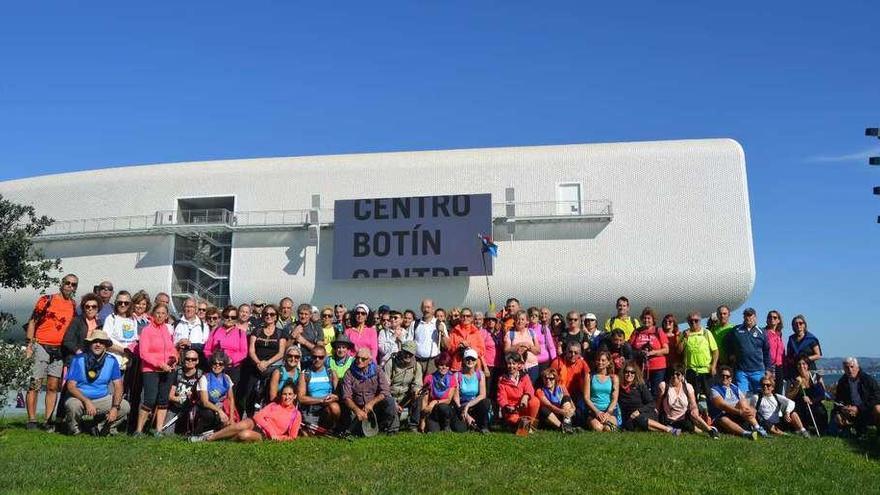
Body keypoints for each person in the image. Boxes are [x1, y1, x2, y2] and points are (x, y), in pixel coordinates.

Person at [24, 273, 78, 430]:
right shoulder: (46, 300)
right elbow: (32, 321)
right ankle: (32, 420)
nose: (70, 286)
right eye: (67, 283)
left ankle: (48, 420)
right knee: (35, 383)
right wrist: (29, 345)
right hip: (41, 345)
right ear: (62, 284)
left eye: (73, 284)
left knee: (53, 386)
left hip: (59, 350)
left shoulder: (73, 305)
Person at [63, 330, 130, 435]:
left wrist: (114, 407)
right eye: (95, 341)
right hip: (80, 398)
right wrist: (86, 401)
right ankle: (75, 430)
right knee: (72, 405)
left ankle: (101, 427)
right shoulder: (78, 359)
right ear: (90, 344)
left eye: (102, 342)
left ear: (105, 346)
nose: (98, 344)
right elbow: (71, 386)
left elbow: (118, 386)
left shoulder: (112, 361)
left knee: (125, 406)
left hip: (101, 398)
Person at [193, 381, 301, 443]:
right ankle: (210, 438)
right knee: (243, 424)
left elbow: (292, 437)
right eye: (284, 394)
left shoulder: (296, 415)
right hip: (256, 424)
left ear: (295, 396)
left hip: (265, 436)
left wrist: (277, 437)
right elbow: (258, 417)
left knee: (244, 435)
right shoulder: (274, 405)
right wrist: (271, 429)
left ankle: (220, 438)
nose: (287, 397)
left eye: (290, 394)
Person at [135, 303, 178, 436]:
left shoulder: (166, 330)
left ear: (166, 316)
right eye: (158, 313)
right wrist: (160, 364)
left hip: (167, 370)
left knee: (163, 399)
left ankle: (159, 430)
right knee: (149, 399)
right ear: (153, 314)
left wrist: (175, 358)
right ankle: (139, 430)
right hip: (151, 370)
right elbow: (143, 353)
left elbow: (171, 348)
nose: (160, 316)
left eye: (163, 313)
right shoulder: (147, 330)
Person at [242, 304, 287, 416]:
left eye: (272, 314)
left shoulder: (280, 333)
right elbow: (251, 350)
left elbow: (281, 353)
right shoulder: (257, 331)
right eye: (266, 314)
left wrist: (267, 363)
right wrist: (259, 363)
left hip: (272, 367)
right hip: (256, 366)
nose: (269, 316)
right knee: (249, 395)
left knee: (269, 395)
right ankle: (250, 419)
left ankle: (267, 420)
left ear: (276, 317)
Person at [341, 348, 397, 435]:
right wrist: (357, 410)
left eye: (363, 359)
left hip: (374, 406)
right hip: (357, 406)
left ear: (370, 361)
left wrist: (371, 403)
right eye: (357, 358)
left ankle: (391, 429)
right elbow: (346, 397)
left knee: (390, 401)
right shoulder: (349, 373)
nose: (359, 361)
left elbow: (385, 391)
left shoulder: (378, 371)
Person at [656, 365, 718, 438]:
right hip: (668, 419)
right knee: (692, 429)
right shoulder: (664, 386)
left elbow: (693, 404)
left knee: (693, 414)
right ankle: (708, 430)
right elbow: (658, 405)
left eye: (678, 374)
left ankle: (710, 430)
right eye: (672, 374)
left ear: (682, 376)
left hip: (684, 418)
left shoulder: (688, 387)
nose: (674, 376)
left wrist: (694, 410)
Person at [617, 362, 679, 434]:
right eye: (626, 372)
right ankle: (664, 429)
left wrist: (639, 411)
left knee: (639, 419)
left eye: (632, 372)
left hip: (645, 413)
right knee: (632, 424)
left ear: (635, 374)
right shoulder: (619, 388)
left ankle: (668, 430)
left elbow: (651, 403)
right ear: (623, 373)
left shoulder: (640, 386)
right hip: (630, 417)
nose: (629, 374)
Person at [708, 366, 765, 440]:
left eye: (727, 376)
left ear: (731, 379)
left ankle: (758, 428)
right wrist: (739, 412)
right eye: (722, 376)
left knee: (743, 402)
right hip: (724, 414)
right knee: (723, 419)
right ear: (719, 377)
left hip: (738, 413)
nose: (725, 378)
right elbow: (722, 405)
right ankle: (746, 434)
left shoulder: (735, 388)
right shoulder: (714, 390)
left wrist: (751, 409)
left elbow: (744, 401)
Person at [725, 307, 770, 395]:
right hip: (741, 371)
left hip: (758, 370)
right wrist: (730, 354)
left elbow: (766, 351)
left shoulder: (762, 332)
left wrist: (768, 369)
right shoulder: (736, 330)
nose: (748, 318)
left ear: (755, 317)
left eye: (750, 315)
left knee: (759, 395)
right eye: (746, 315)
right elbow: (727, 342)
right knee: (741, 395)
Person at [833, 357, 880, 436]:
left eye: (852, 367)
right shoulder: (842, 382)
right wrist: (843, 408)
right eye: (847, 368)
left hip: (867, 409)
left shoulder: (867, 380)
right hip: (851, 411)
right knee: (838, 417)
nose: (850, 370)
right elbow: (838, 400)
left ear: (857, 367)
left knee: (878, 409)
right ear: (844, 369)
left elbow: (877, 397)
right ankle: (852, 431)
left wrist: (858, 408)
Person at [678, 311, 718, 404]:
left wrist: (713, 366)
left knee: (708, 397)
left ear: (700, 321)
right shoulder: (684, 333)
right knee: (693, 398)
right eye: (691, 321)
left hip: (705, 370)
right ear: (688, 322)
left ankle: (709, 416)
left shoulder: (706, 333)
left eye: (696, 320)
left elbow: (715, 351)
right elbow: (679, 351)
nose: (693, 323)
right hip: (691, 371)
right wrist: (685, 338)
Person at [298, 345, 341, 431]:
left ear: (325, 358)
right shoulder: (305, 374)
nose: (317, 359)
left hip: (328, 405)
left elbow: (338, 395)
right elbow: (301, 398)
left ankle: (332, 427)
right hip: (312, 407)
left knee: (335, 408)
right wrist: (321, 400)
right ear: (311, 357)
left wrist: (334, 397)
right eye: (314, 357)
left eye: (320, 357)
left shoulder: (331, 373)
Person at [204, 305, 248, 388]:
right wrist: (212, 359)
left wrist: (231, 359)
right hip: (216, 367)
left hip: (232, 368)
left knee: (230, 393)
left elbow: (243, 352)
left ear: (237, 318)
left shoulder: (240, 333)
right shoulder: (215, 331)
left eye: (233, 317)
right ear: (222, 317)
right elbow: (207, 349)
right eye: (227, 316)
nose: (229, 319)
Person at [384, 340, 423, 432]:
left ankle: (413, 426)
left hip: (406, 397)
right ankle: (393, 428)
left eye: (410, 353)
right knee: (389, 401)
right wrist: (394, 403)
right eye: (406, 352)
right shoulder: (390, 363)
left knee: (419, 397)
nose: (407, 355)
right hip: (391, 396)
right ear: (401, 351)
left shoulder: (417, 366)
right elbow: (385, 387)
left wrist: (415, 391)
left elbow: (417, 383)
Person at [628, 307, 669, 395]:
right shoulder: (637, 332)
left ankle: (656, 408)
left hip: (657, 367)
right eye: (644, 318)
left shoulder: (658, 331)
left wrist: (652, 352)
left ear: (653, 319)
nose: (646, 320)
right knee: (642, 390)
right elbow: (630, 348)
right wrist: (639, 353)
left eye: (648, 318)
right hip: (641, 367)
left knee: (656, 391)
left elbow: (666, 350)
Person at [496, 352, 540, 433]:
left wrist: (526, 396)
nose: (511, 366)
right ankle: (523, 426)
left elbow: (530, 389)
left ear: (518, 365)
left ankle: (528, 425)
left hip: (523, 406)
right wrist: (507, 406)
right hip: (511, 410)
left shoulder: (524, 376)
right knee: (513, 420)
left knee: (535, 401)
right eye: (509, 364)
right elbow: (501, 397)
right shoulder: (502, 380)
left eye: (514, 363)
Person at [196, 351, 238, 433]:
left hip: (222, 406)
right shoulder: (204, 378)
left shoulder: (227, 378)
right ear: (211, 364)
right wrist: (219, 411)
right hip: (207, 407)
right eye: (214, 363)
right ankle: (201, 430)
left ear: (224, 366)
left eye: (220, 364)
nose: (217, 366)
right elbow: (205, 402)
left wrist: (231, 418)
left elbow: (231, 399)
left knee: (231, 425)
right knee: (209, 415)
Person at [163, 349, 203, 435]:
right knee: (166, 433)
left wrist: (193, 398)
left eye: (193, 359)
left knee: (190, 433)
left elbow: (202, 397)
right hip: (176, 406)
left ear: (197, 361)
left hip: (192, 409)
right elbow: (170, 396)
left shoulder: (201, 375)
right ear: (184, 360)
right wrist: (181, 399)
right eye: (187, 359)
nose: (190, 361)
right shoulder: (177, 373)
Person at [786, 356, 828, 434]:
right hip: (799, 405)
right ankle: (803, 430)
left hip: (814, 403)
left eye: (804, 364)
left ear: (808, 365)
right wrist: (797, 385)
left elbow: (822, 394)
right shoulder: (793, 379)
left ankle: (822, 429)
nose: (801, 366)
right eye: (799, 364)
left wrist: (811, 401)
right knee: (794, 414)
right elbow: (788, 397)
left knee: (820, 411)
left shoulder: (815, 377)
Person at [549, 341, 590, 420]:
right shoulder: (557, 363)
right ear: (566, 352)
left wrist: (586, 396)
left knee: (580, 413)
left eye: (576, 352)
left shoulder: (582, 363)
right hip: (560, 394)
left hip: (577, 394)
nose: (573, 355)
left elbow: (588, 376)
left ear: (580, 354)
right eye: (570, 352)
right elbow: (555, 384)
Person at [421, 353, 461, 432]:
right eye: (441, 365)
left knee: (460, 429)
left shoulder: (452, 378)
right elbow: (425, 401)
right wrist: (422, 420)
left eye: (447, 365)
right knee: (432, 431)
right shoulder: (429, 378)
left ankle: (447, 426)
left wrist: (434, 402)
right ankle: (437, 424)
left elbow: (448, 400)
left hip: (447, 410)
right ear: (437, 365)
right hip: (433, 411)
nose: (444, 367)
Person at [454, 348, 490, 433]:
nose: (470, 361)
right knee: (460, 429)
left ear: (476, 360)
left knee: (486, 402)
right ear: (463, 360)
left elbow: (482, 395)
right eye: (468, 359)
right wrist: (465, 414)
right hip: (461, 406)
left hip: (474, 404)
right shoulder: (457, 375)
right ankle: (469, 422)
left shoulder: (480, 374)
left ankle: (484, 426)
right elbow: (456, 399)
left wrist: (468, 406)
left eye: (473, 359)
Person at [61, 293, 102, 364]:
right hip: (76, 359)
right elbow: (67, 341)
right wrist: (78, 351)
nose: (90, 309)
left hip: (93, 360)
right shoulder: (77, 321)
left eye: (94, 306)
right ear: (83, 308)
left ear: (98, 308)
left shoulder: (100, 323)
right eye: (87, 306)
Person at [584, 351, 620, 432]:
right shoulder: (589, 376)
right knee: (598, 428)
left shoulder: (614, 378)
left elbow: (614, 399)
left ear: (608, 362)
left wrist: (608, 413)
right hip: (594, 410)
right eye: (598, 360)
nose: (600, 362)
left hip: (609, 410)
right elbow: (586, 397)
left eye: (603, 360)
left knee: (609, 429)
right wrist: (597, 412)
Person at [103, 291, 138, 370]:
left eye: (126, 303)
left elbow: (134, 339)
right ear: (116, 303)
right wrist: (124, 351)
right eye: (120, 302)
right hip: (114, 361)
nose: (123, 305)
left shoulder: (133, 319)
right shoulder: (111, 318)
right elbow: (106, 341)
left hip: (129, 363)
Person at [445, 307, 487, 373]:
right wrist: (458, 347)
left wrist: (470, 346)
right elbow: (449, 350)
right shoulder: (454, 332)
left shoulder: (476, 332)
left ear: (471, 318)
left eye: (468, 316)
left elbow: (482, 351)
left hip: (473, 368)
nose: (465, 318)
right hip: (457, 367)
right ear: (460, 318)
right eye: (463, 316)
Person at [503, 310, 541, 384]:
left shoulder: (531, 332)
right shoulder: (510, 334)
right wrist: (518, 345)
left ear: (527, 321)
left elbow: (538, 351)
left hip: (533, 367)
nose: (520, 321)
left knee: (532, 390)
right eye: (517, 319)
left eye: (522, 319)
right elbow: (506, 351)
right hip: (517, 369)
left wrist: (529, 346)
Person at [536, 368, 576, 433]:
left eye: (551, 379)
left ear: (555, 379)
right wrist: (562, 412)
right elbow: (549, 405)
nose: (548, 381)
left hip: (564, 414)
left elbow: (570, 401)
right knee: (543, 409)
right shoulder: (540, 391)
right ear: (543, 379)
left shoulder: (561, 387)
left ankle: (566, 423)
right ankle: (562, 427)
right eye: (546, 378)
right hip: (551, 417)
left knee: (566, 398)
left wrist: (573, 410)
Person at [784, 314, 821, 381]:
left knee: (815, 389)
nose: (798, 325)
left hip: (810, 369)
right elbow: (789, 355)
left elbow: (818, 355)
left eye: (800, 323)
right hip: (795, 370)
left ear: (804, 325)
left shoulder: (811, 339)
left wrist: (806, 359)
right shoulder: (791, 339)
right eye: (796, 324)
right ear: (793, 326)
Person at [172, 297, 209, 363]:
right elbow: (169, 343)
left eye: (192, 307)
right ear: (183, 308)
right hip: (179, 361)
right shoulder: (176, 324)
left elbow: (205, 346)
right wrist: (177, 344)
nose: (189, 309)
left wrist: (190, 344)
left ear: (196, 309)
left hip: (196, 363)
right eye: (187, 307)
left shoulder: (204, 326)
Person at [413, 299, 442, 376]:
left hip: (433, 362)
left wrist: (442, 334)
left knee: (430, 385)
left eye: (428, 307)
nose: (426, 310)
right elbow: (410, 342)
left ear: (433, 309)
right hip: (417, 361)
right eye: (424, 307)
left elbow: (447, 345)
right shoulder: (414, 324)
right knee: (417, 385)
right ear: (421, 309)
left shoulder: (439, 324)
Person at [528, 307, 557, 374]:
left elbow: (551, 346)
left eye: (536, 315)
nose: (533, 317)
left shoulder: (543, 328)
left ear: (538, 318)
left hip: (544, 361)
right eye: (531, 315)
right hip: (531, 362)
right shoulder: (526, 328)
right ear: (528, 317)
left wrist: (554, 360)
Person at [764, 310, 785, 392]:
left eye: (775, 317)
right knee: (769, 390)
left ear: (778, 320)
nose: (772, 319)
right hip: (769, 366)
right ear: (767, 320)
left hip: (779, 367)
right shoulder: (763, 332)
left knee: (778, 391)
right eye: (770, 317)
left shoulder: (779, 334)